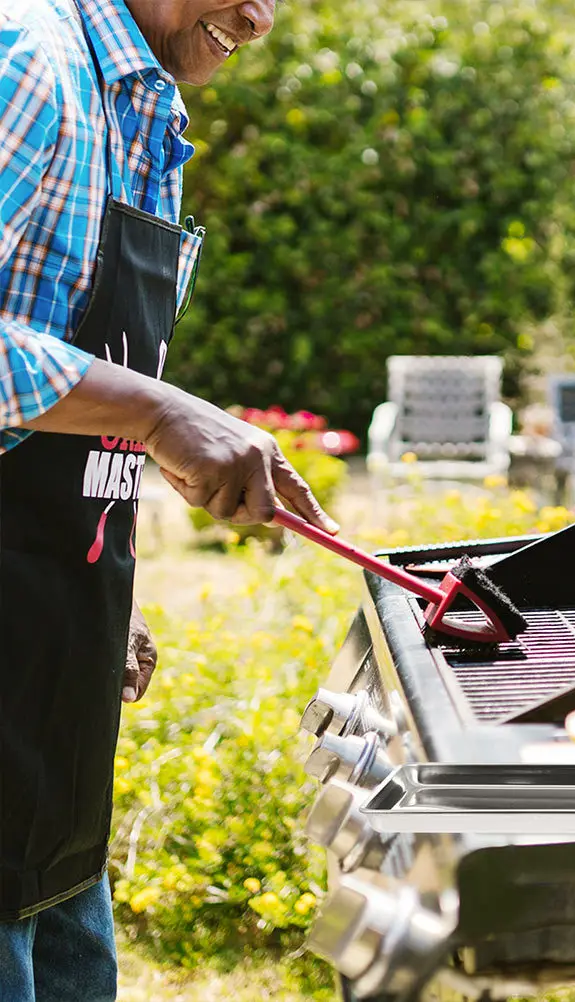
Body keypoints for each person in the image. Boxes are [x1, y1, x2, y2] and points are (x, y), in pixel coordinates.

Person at [0, 2, 337, 997]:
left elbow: (65, 377)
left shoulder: (146, 111)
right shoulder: (28, 59)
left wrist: (98, 585)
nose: (259, 15)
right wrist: (159, 412)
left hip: (47, 695)